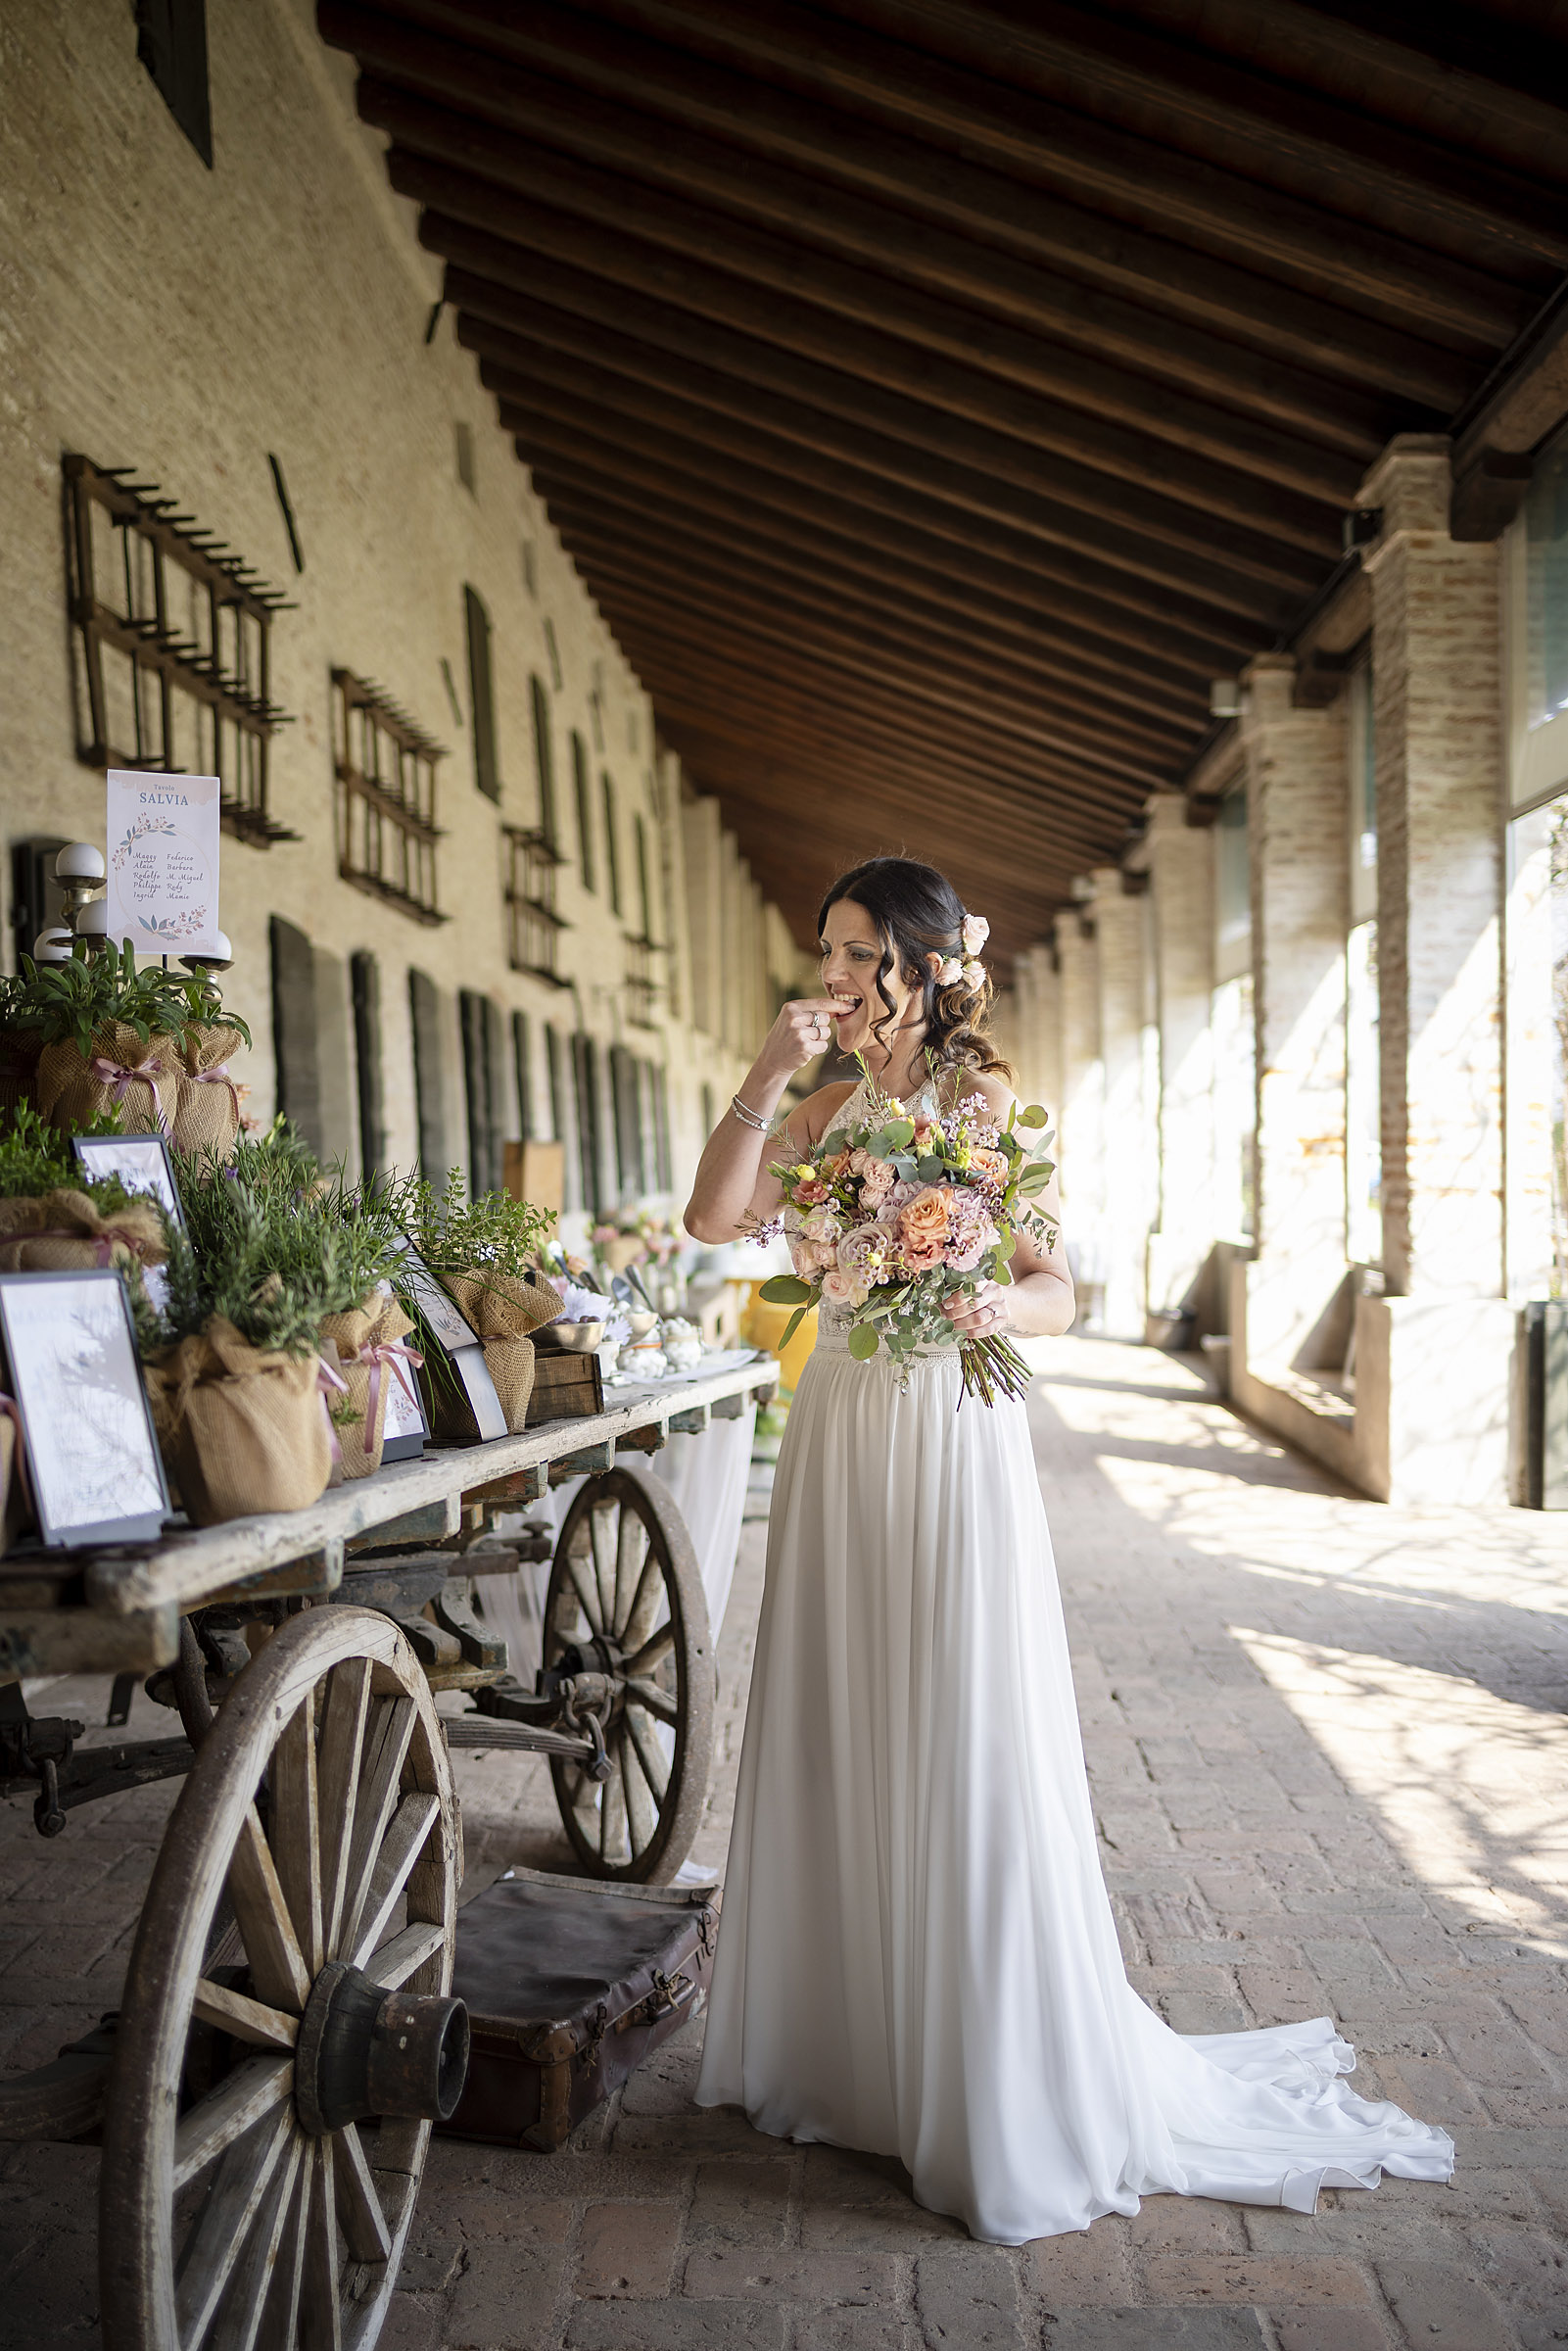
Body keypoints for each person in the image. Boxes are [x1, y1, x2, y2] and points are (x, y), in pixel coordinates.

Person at [683, 855, 1452, 2245]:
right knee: (842, 1720)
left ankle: (975, 2083)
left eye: (859, 953)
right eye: (828, 952)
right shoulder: (816, 1102)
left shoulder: (981, 1103)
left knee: (950, 1724)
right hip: (845, 1421)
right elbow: (712, 1217)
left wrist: (973, 1296)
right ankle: (849, 2058)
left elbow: (1055, 1288)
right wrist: (758, 1069)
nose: (836, 977)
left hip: (947, 1436)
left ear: (924, 965)